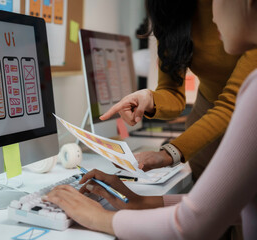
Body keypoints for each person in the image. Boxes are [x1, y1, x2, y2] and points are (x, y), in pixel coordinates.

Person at [43, 0, 257, 239]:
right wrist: (139, 202)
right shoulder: (171, 9)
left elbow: (195, 225)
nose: (212, 19)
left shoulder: (253, 91)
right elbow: (228, 211)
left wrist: (98, 217)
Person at [100, 0, 257, 181]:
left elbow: (233, 103)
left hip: (246, 116)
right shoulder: (169, 7)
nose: (214, 19)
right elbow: (171, 91)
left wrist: (170, 153)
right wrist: (149, 98)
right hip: (205, 124)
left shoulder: (242, 10)